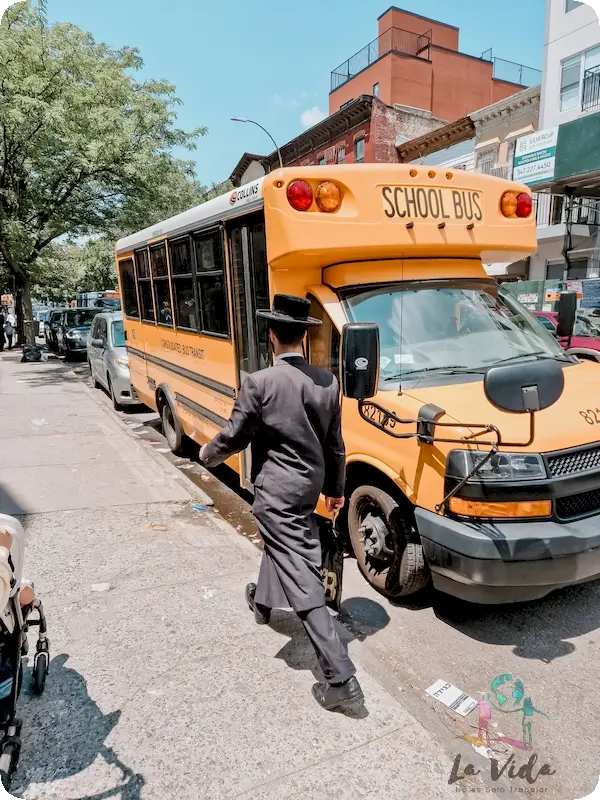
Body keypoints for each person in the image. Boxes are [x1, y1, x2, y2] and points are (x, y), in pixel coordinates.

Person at [200, 294, 362, 711]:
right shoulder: (328, 383)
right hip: (308, 488)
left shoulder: (260, 383)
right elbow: (336, 446)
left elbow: (233, 436)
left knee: (301, 574)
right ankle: (262, 602)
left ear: (272, 335)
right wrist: (336, 490)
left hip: (276, 494)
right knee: (283, 546)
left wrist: (205, 455)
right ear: (303, 337)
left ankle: (339, 676)